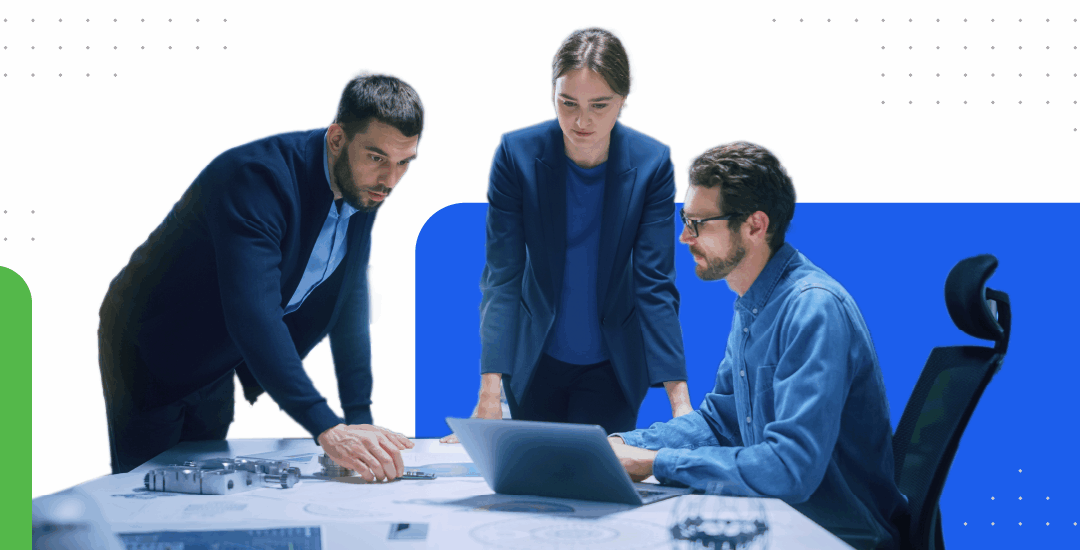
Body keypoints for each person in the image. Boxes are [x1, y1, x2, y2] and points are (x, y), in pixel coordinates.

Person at [98, 74, 420, 482]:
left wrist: (359, 418)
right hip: (153, 342)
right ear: (337, 139)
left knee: (207, 483)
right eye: (377, 158)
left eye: (404, 162)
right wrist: (326, 426)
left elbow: (349, 292)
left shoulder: (361, 188)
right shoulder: (255, 179)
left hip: (219, 351)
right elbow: (256, 314)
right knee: (150, 491)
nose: (390, 180)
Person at [607, 142, 908, 549]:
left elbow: (790, 468)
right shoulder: (752, 304)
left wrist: (656, 462)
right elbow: (719, 422)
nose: (684, 237)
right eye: (685, 219)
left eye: (698, 223)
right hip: (782, 524)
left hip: (836, 536)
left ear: (754, 225)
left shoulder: (813, 309)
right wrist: (628, 445)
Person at [443, 28, 691, 443]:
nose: (581, 121)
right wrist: (490, 394)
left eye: (600, 105)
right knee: (530, 491)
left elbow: (655, 283)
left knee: (594, 489)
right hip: (535, 359)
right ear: (553, 94)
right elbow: (503, 274)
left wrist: (679, 402)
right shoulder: (516, 154)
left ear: (623, 100)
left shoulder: (652, 164)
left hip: (613, 364)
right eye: (568, 103)